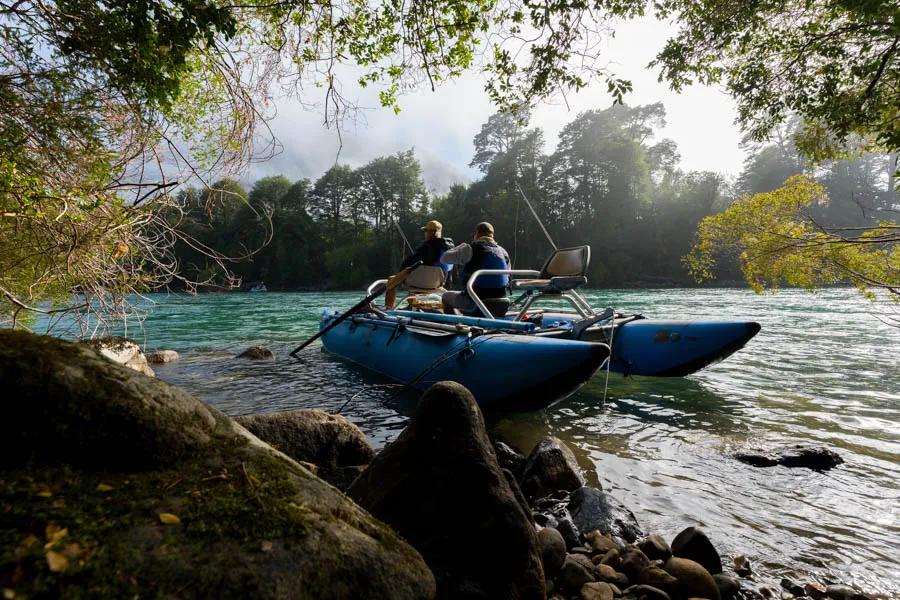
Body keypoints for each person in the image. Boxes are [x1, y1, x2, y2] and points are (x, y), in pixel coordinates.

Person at [440, 221, 510, 314]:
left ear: (477, 234)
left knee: (445, 296)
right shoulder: (504, 252)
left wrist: (461, 246)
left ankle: (454, 324)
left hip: (476, 303)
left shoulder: (470, 249)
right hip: (502, 302)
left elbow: (444, 259)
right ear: (492, 235)